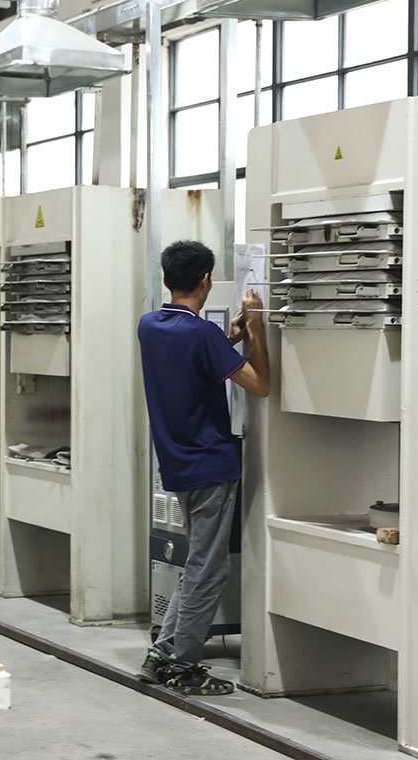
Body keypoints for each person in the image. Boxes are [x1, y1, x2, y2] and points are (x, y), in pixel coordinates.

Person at [136, 240, 270, 696]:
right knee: (209, 569)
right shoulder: (202, 335)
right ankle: (180, 663)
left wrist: (227, 339)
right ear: (207, 280)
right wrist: (256, 328)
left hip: (175, 461)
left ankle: (164, 652)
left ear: (166, 278)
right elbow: (262, 385)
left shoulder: (150, 325)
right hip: (211, 463)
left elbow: (191, 364)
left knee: (197, 562)